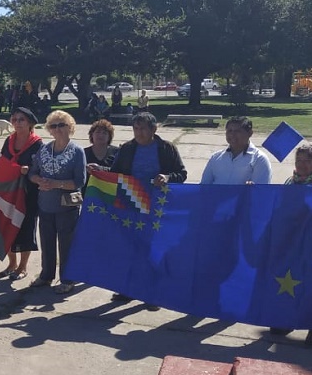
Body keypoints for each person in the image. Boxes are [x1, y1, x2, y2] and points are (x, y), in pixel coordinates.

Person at [109, 112, 187, 308]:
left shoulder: (166, 148)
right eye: (136, 128)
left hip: (158, 206)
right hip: (131, 204)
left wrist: (167, 177)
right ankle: (128, 288)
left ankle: (154, 292)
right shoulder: (127, 148)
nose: (139, 132)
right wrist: (99, 170)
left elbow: (182, 173)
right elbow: (114, 174)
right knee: (131, 248)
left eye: (143, 128)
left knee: (154, 250)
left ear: (154, 129)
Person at [271, 145, 312, 346]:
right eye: (298, 161)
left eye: (307, 161)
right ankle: (288, 321)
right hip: (294, 242)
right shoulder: (290, 182)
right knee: (292, 280)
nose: (302, 165)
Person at [28, 110, 87, 294]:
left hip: (67, 206)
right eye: (53, 126)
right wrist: (39, 180)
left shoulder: (77, 151)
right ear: (49, 130)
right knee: (47, 242)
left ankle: (68, 279)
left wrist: (57, 183)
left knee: (66, 244)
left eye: (62, 125)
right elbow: (32, 172)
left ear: (70, 127)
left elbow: (79, 181)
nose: (58, 129)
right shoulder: (44, 149)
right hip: (45, 204)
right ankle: (46, 275)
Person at [0, 107, 42, 281]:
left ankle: (23, 267)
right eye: (14, 119)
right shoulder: (9, 141)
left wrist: (28, 170)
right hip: (8, 193)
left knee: (25, 230)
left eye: (21, 120)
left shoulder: (37, 144)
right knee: (7, 229)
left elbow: (41, 169)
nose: (17, 123)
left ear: (30, 123)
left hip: (28, 194)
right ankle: (11, 264)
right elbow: (1, 162)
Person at [200, 116, 272, 185]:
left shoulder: (259, 159)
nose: (232, 135)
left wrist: (252, 189)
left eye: (238, 131)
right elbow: (204, 186)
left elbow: (262, 191)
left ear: (250, 133)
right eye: (229, 131)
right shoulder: (216, 157)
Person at [84, 119, 120, 186]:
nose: (101, 135)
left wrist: (101, 169)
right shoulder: (83, 153)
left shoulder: (117, 152)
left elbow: (120, 173)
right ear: (92, 134)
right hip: (87, 192)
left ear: (109, 137)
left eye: (104, 133)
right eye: (98, 132)